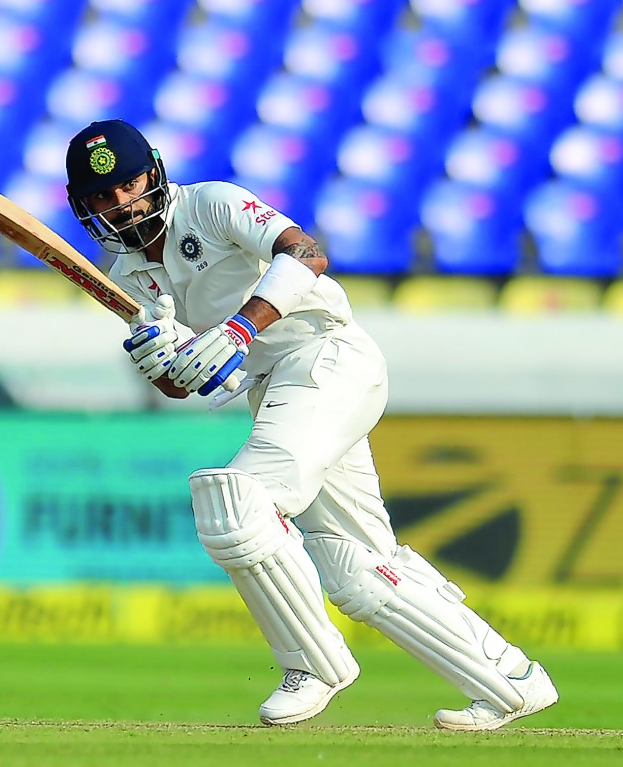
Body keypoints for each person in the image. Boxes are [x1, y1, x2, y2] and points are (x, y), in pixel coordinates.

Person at [63, 119, 558, 730]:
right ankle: (511, 681)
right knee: (356, 566)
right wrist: (160, 358)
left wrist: (239, 328)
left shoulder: (212, 203)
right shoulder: (124, 270)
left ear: (155, 173)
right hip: (278, 389)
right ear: (83, 205)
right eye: (102, 198)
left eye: (130, 186)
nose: (122, 206)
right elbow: (183, 381)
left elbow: (306, 253)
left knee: (237, 501)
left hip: (329, 357)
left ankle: (313, 664)